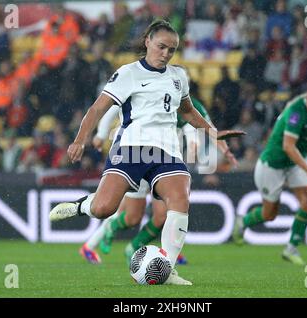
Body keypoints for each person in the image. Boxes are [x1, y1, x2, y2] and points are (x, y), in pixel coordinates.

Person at [49, 20, 243, 285]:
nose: (165, 54)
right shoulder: (128, 73)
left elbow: (187, 111)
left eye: (172, 50)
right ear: (148, 41)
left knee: (180, 199)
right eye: (161, 46)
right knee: (105, 208)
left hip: (167, 150)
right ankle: (82, 205)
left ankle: (168, 269)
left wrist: (211, 131)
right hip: (131, 148)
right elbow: (97, 109)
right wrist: (81, 139)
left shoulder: (178, 77)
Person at [78, 87, 235, 266]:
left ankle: (145, 249)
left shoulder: (189, 105)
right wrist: (101, 134)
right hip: (136, 159)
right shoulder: (145, 93)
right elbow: (113, 106)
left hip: (163, 165)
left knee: (163, 215)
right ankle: (101, 236)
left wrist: (213, 148)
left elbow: (203, 129)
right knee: (131, 217)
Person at [232, 76, 307, 265]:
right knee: (269, 214)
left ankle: (291, 248)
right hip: (273, 163)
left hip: (297, 162)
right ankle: (243, 222)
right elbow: (288, 147)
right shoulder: (296, 111)